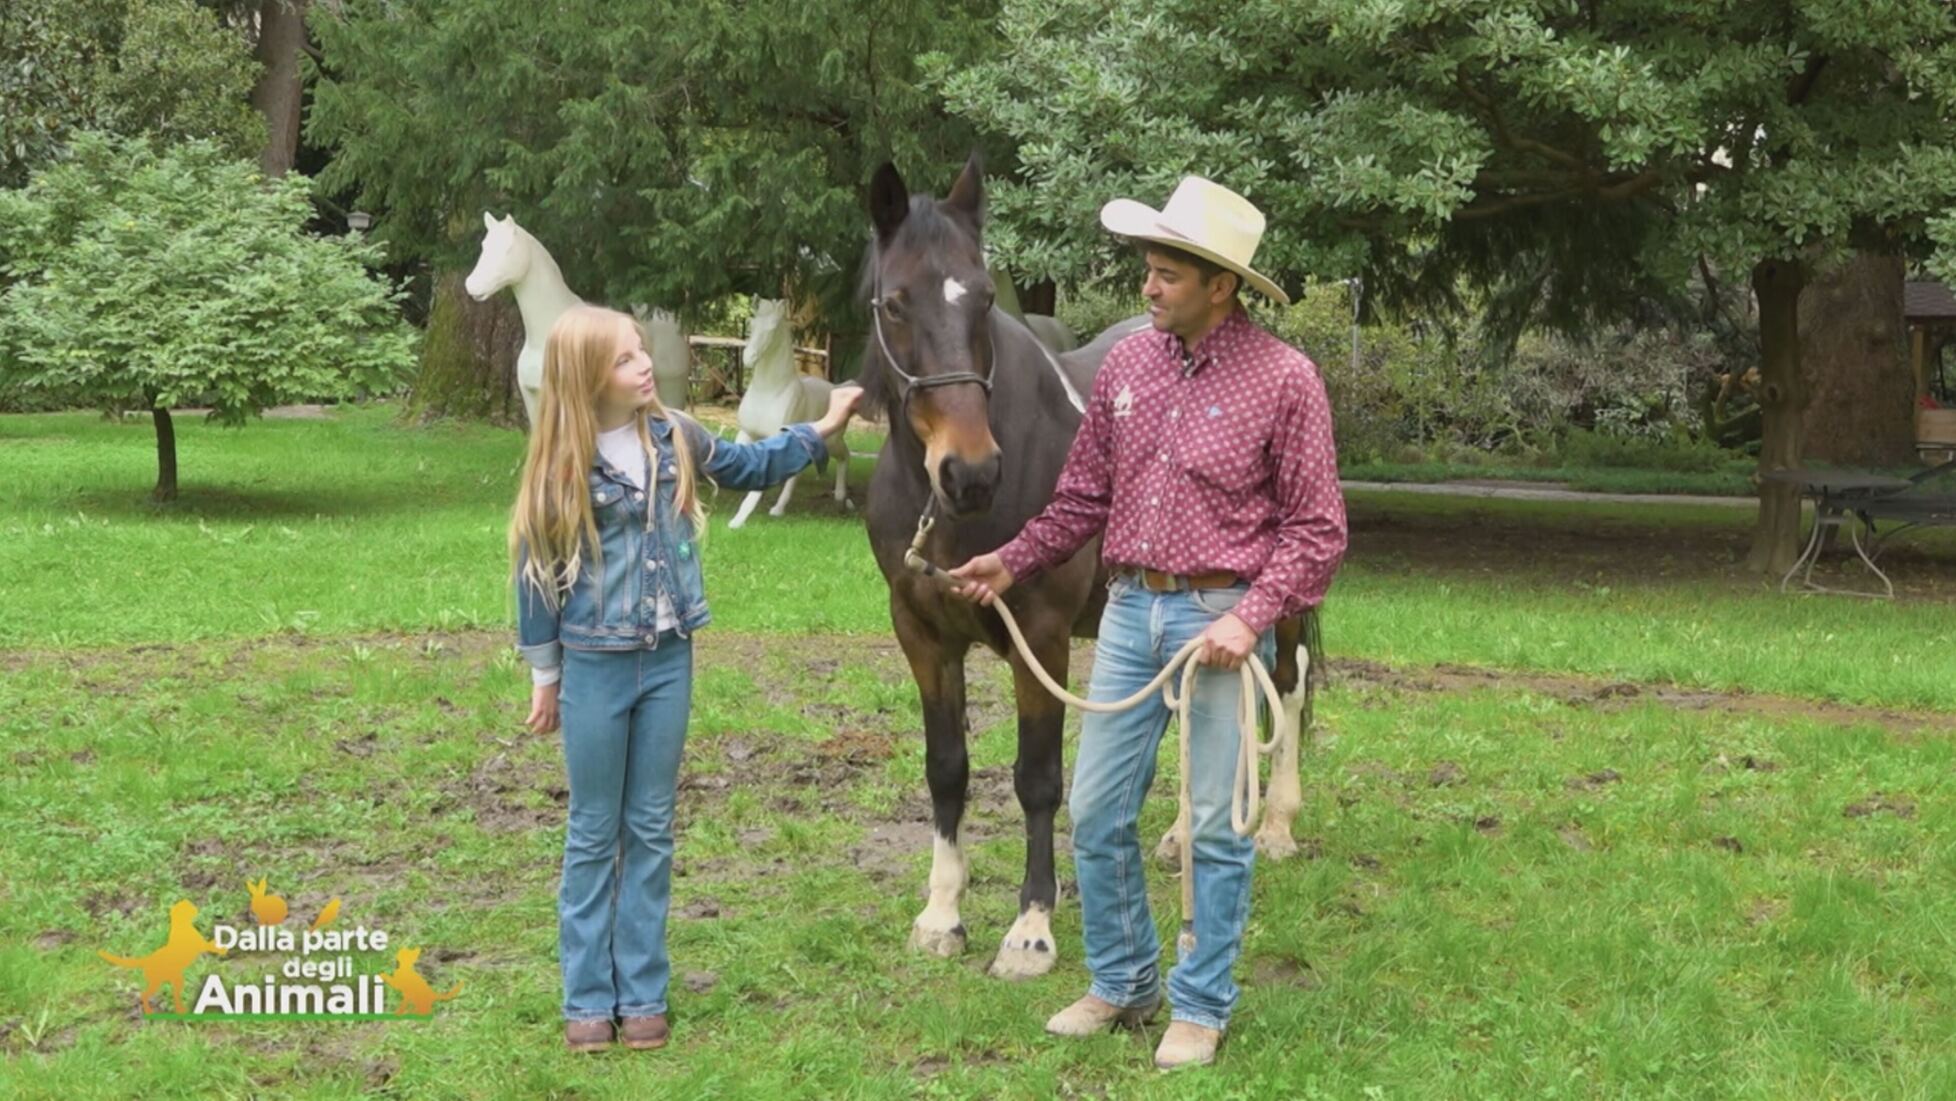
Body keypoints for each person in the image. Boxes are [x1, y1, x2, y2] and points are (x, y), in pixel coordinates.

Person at [947, 177, 1347, 1070]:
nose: (1148, 288)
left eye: (1167, 274)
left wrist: (1251, 617)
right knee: (1094, 810)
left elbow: (1318, 530)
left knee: (1213, 824)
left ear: (1221, 285)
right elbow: (1084, 494)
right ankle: (1126, 981)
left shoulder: (1286, 381)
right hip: (1130, 609)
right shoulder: (1129, 370)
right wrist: (1014, 556)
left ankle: (1200, 1004)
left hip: (1220, 619)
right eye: (1149, 269)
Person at [509, 304, 862, 1052]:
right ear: (586, 379)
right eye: (627, 359)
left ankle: (641, 995)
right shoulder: (562, 464)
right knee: (594, 831)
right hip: (596, 666)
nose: (646, 366)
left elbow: (751, 465)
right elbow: (534, 572)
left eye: (643, 352)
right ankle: (586, 1002)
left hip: (669, 660)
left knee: (651, 829)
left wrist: (821, 429)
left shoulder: (675, 436)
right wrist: (545, 673)